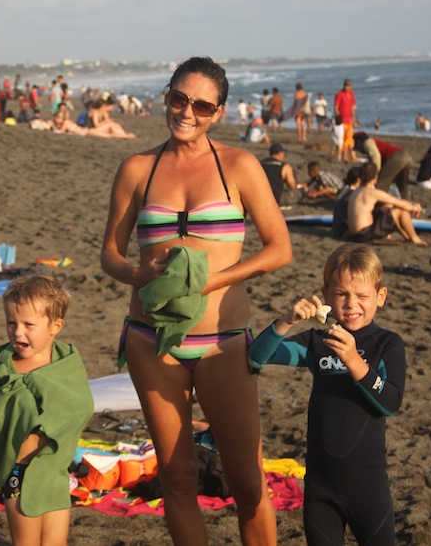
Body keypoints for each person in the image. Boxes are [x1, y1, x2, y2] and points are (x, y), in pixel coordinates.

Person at [101, 56, 291, 546]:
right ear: (166, 96)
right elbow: (110, 255)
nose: (187, 111)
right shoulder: (137, 168)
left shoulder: (240, 166)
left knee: (248, 484)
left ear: (219, 111)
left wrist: (218, 280)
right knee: (178, 478)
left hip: (223, 342)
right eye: (178, 98)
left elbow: (279, 248)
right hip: (152, 341)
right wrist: (136, 273)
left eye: (202, 105)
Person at [249, 244, 405, 546]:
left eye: (362, 296)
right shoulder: (316, 342)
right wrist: (286, 321)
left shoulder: (388, 344)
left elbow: (390, 403)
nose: (351, 304)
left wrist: (354, 362)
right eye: (341, 294)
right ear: (326, 295)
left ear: (380, 297)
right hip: (321, 489)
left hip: (368, 489)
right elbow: (257, 356)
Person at [0, 274, 94, 546]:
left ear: (55, 326)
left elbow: (80, 405)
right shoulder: (2, 367)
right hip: (18, 473)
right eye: (11, 323)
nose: (17, 332)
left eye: (28, 324)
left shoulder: (65, 364)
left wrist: (43, 431)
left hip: (54, 469)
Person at [347, 163, 426, 245]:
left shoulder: (356, 191)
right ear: (375, 178)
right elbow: (397, 202)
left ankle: (407, 237)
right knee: (400, 210)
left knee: (387, 209)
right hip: (365, 234)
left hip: (355, 234)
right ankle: (415, 238)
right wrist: (414, 207)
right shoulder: (371, 192)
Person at [354, 131, 415, 200]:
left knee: (381, 184)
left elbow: (376, 156)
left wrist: (375, 173)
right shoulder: (374, 144)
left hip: (397, 157)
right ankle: (406, 202)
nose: (357, 149)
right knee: (402, 185)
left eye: (356, 146)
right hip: (407, 157)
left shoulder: (367, 142)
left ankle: (382, 204)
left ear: (359, 141)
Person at [331, 166, 362, 240]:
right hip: (344, 230)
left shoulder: (345, 190)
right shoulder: (353, 194)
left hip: (336, 229)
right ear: (358, 180)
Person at [333, 79, 357, 162]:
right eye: (346, 85)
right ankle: (344, 155)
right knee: (344, 138)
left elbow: (353, 106)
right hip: (342, 120)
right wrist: (339, 119)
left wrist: (354, 117)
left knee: (349, 138)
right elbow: (336, 107)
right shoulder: (339, 94)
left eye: (349, 86)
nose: (348, 87)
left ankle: (352, 156)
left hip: (349, 119)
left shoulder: (351, 93)